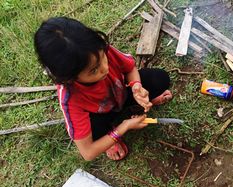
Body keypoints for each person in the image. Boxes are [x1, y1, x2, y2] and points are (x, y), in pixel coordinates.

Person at [34, 17, 172, 161]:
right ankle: (108, 140)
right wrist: (123, 127)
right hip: (100, 115)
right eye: (94, 70)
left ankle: (136, 104)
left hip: (121, 93)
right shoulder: (70, 99)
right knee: (93, 131)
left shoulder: (97, 50)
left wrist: (136, 86)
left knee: (160, 79)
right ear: (69, 77)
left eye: (103, 58)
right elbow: (88, 153)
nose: (105, 68)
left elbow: (130, 68)